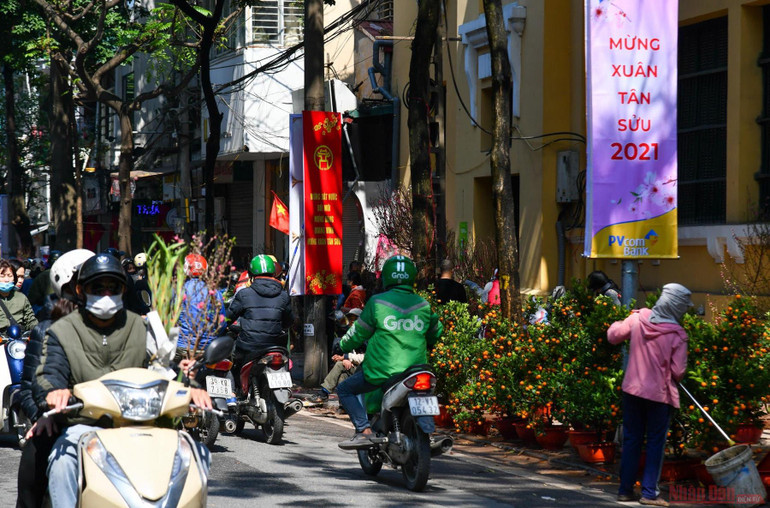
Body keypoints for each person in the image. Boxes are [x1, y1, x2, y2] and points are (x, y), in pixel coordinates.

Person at [33, 253, 212, 507]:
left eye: (113, 287)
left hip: (143, 423)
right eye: (98, 288)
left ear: (123, 290)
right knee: (63, 461)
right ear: (81, 290)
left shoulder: (140, 326)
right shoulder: (62, 330)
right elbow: (49, 373)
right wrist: (54, 392)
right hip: (87, 424)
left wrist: (189, 386)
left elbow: (164, 367)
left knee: (194, 454)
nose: (106, 294)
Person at [336, 255, 443, 449]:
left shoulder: (377, 302)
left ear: (386, 277)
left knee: (344, 389)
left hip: (381, 371)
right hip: (416, 370)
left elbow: (358, 333)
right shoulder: (423, 304)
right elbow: (436, 333)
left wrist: (342, 345)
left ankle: (364, 430)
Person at [16, 249, 93, 508]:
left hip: (107, 421)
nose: (100, 292)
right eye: (89, 284)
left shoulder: (120, 326)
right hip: (60, 420)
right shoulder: (46, 330)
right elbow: (28, 389)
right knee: (35, 458)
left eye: (108, 285)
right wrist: (44, 415)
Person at [608, 283, 692, 507]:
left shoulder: (637, 319)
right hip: (659, 396)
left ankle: (625, 490)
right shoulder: (677, 335)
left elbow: (613, 336)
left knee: (632, 439)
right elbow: (678, 371)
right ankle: (649, 493)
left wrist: (622, 321)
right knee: (655, 443)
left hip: (632, 391)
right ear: (677, 307)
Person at [227, 254, 293, 380]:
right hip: (275, 345)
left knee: (233, 359)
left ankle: (236, 389)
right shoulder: (283, 295)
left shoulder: (244, 294)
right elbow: (289, 321)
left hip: (248, 346)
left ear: (251, 274)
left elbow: (228, 318)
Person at [176, 253, 226, 361]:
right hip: (208, 347)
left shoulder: (179, 291)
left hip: (183, 346)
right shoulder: (215, 293)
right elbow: (222, 324)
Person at [311, 308, 365, 404]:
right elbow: (343, 353)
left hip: (365, 368)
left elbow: (365, 357)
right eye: (350, 319)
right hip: (354, 366)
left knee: (340, 365)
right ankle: (344, 404)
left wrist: (347, 358)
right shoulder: (348, 335)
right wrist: (342, 358)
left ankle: (323, 393)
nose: (352, 322)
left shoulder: (365, 336)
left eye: (355, 319)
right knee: (342, 375)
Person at [0, 259, 37, 333]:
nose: (6, 280)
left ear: (14, 278)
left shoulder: (22, 298)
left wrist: (37, 331)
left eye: (10, 276)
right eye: (2, 276)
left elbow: (31, 321)